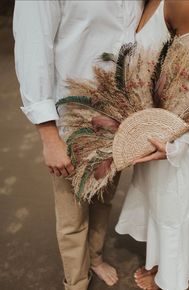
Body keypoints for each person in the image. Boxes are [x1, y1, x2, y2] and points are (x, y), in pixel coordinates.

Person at [13, 1, 144, 289]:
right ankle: (76, 282)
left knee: (103, 198)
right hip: (72, 115)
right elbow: (33, 49)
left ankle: (95, 258)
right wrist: (48, 136)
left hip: (118, 113)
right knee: (72, 213)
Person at [116, 0, 189, 289]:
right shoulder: (142, 2)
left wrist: (176, 141)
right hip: (149, 125)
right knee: (155, 196)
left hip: (172, 132)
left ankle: (171, 276)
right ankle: (159, 261)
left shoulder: (182, 2)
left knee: (171, 200)